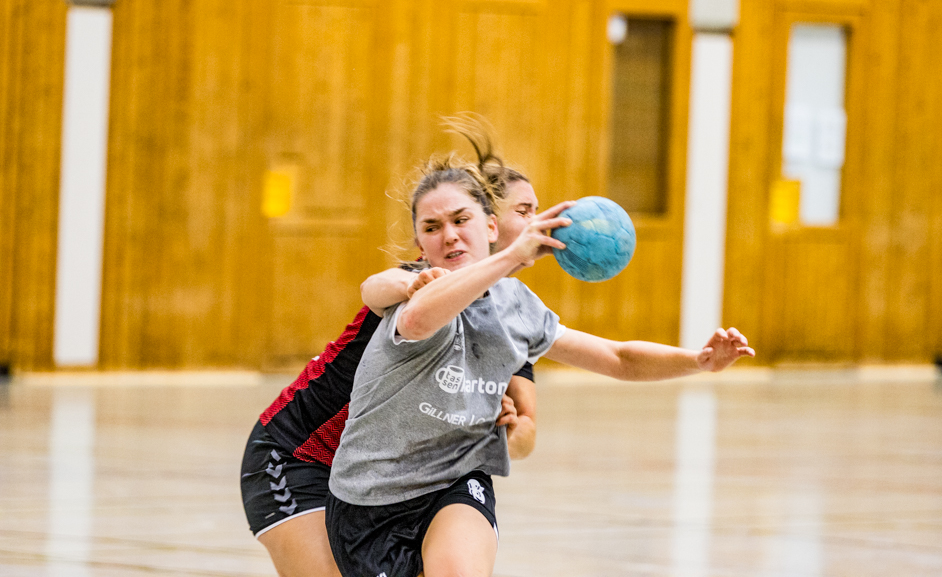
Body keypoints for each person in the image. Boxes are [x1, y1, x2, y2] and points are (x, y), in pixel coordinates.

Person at [324, 152, 755, 577]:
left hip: (453, 483)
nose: (450, 235)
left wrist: (698, 360)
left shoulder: (516, 306)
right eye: (432, 227)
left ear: (491, 226)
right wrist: (514, 255)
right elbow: (419, 319)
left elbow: (618, 358)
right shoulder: (416, 294)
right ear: (420, 245)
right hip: (368, 500)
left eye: (461, 219)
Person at [240, 121, 541, 577]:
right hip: (300, 456)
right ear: (490, 220)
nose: (538, 223)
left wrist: (504, 430)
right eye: (526, 210)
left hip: (399, 476)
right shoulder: (426, 279)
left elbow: (524, 435)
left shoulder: (515, 316)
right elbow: (377, 286)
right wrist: (412, 284)